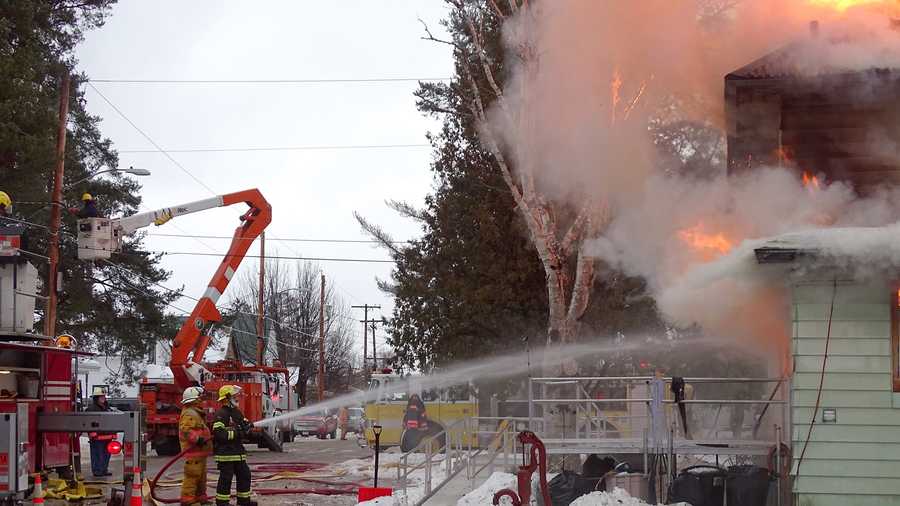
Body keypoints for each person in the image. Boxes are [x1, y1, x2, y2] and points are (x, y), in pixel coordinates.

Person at [212, 385, 256, 506]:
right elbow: (219, 434)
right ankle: (222, 502)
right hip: (226, 454)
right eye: (234, 396)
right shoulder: (221, 414)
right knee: (226, 478)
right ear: (227, 398)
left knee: (245, 475)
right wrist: (238, 432)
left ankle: (243, 501)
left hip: (238, 453)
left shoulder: (236, 412)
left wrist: (248, 427)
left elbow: (244, 424)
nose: (237, 398)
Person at [179, 387, 212, 506]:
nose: (201, 399)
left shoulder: (195, 412)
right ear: (194, 400)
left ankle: (200, 498)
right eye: (199, 397)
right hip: (193, 451)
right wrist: (198, 439)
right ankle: (188, 501)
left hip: (200, 452)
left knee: (201, 477)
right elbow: (186, 430)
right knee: (192, 476)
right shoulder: (189, 413)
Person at [86, 386, 115, 477]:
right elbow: (87, 422)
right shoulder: (91, 409)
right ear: (96, 398)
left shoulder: (108, 408)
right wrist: (90, 432)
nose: (103, 398)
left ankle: (103, 469)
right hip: (97, 437)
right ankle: (97, 471)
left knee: (106, 454)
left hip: (107, 436)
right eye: (101, 396)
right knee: (97, 454)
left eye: (104, 396)